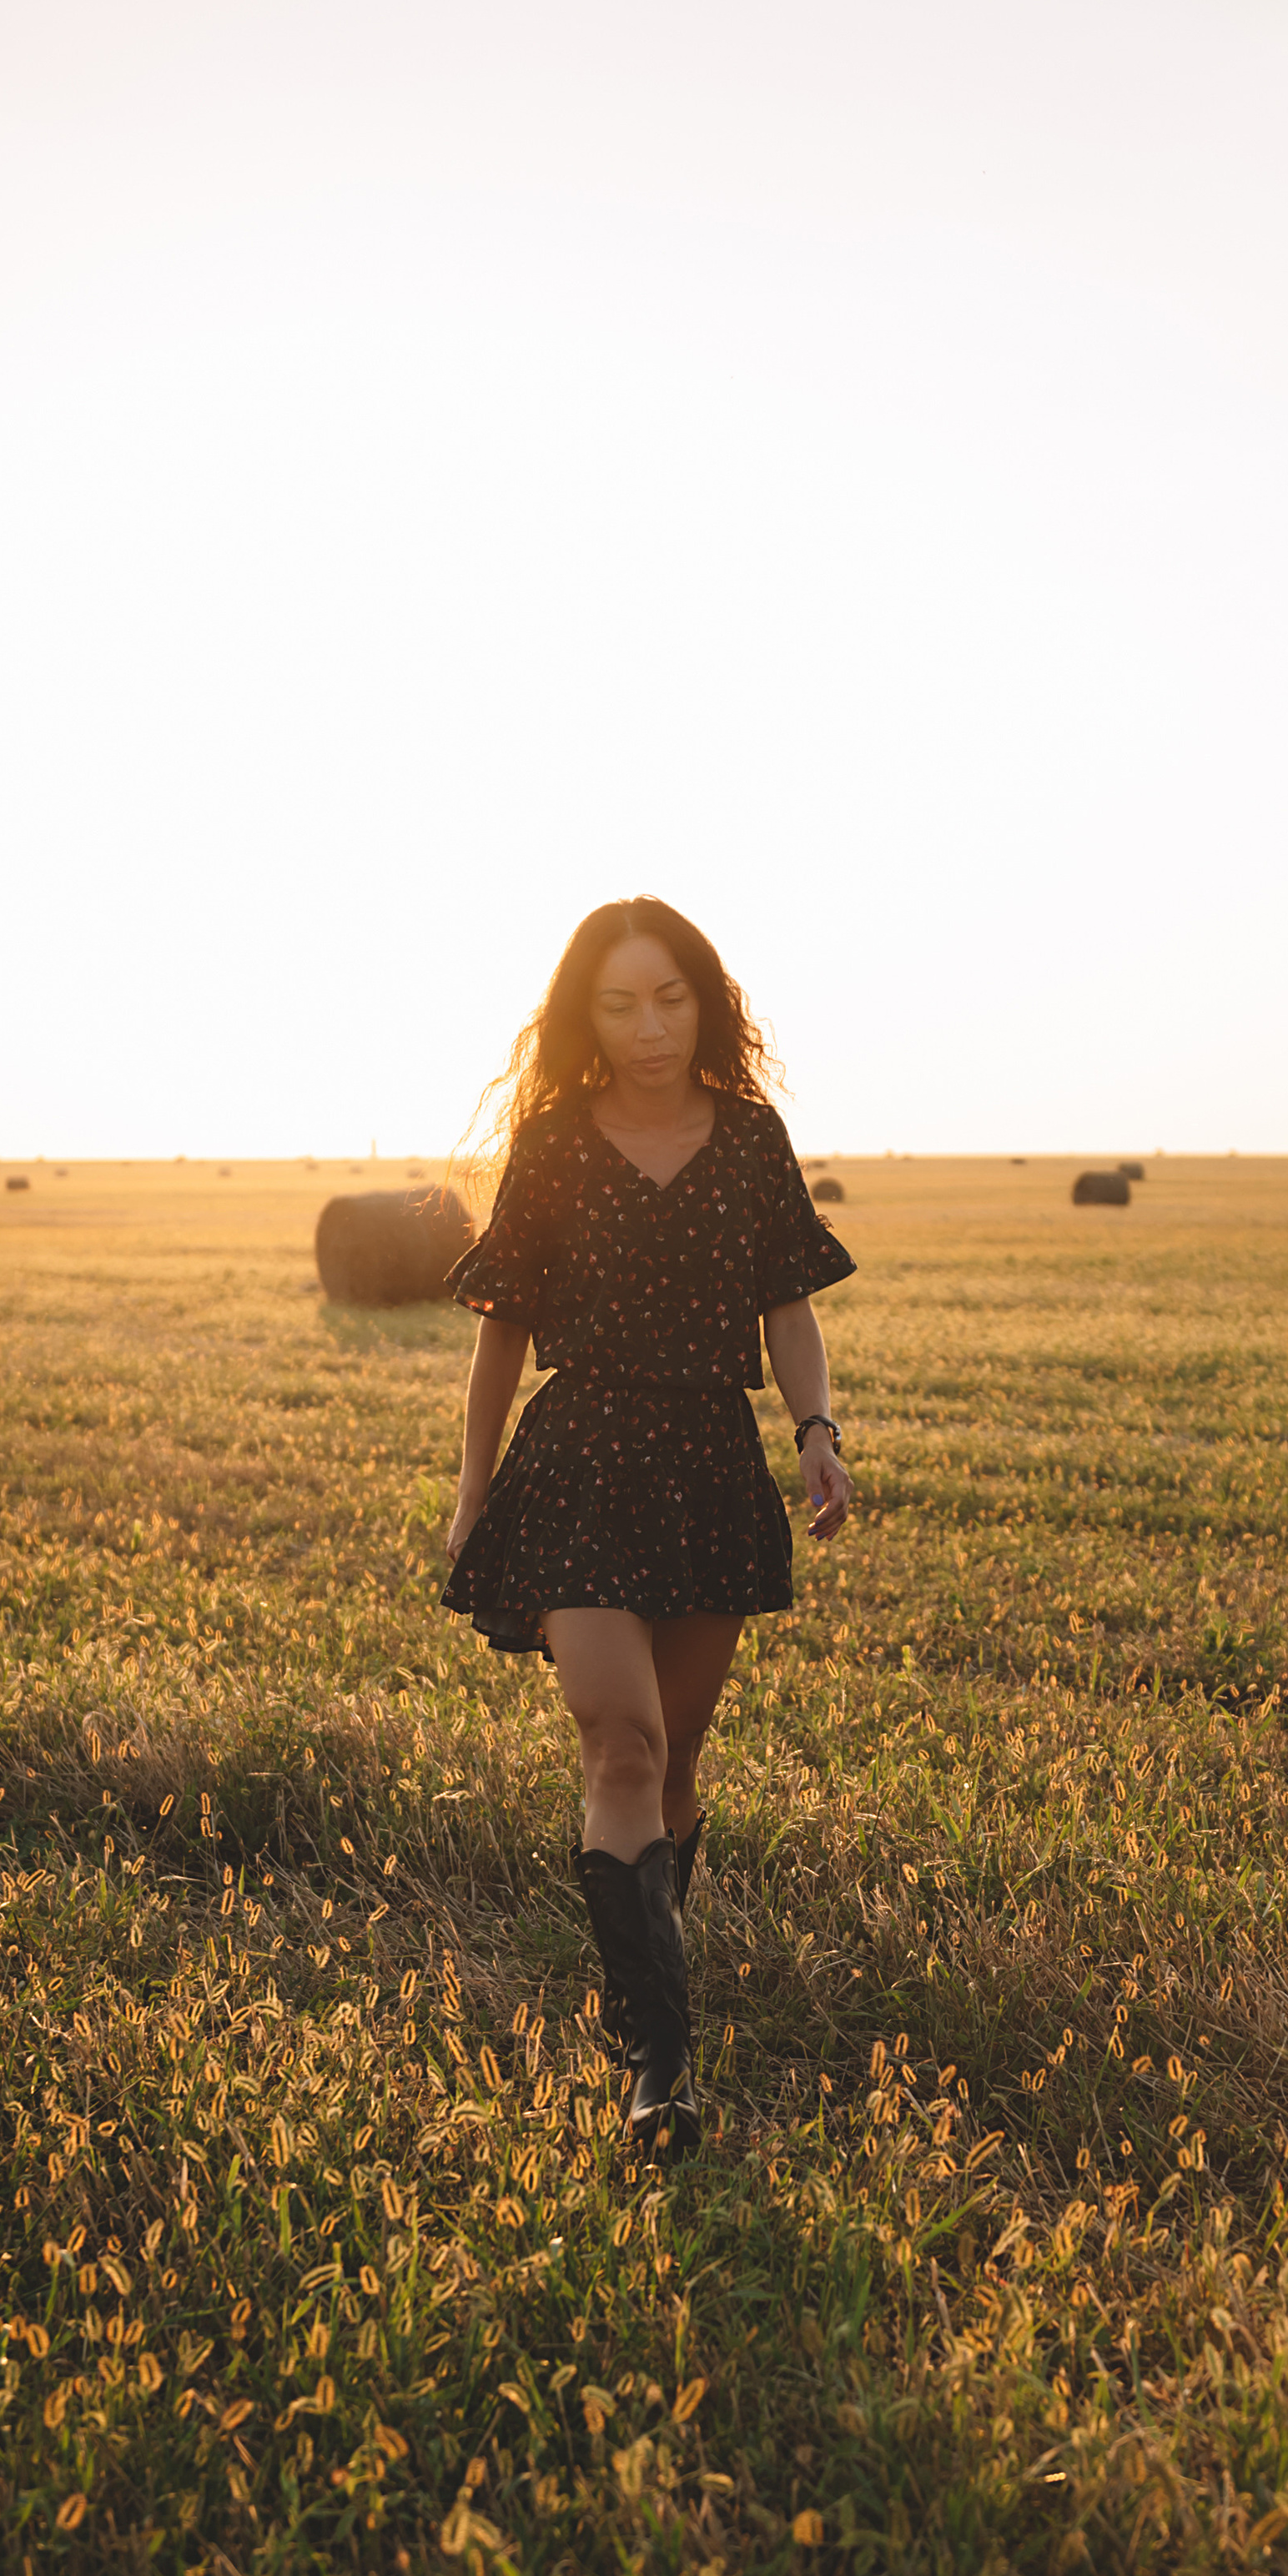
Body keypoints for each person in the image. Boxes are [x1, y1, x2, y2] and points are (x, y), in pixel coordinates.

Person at [440, 897, 855, 2159]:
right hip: (580, 1463)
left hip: (708, 1468)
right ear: (586, 1016)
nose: (648, 1028)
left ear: (704, 999)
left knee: (675, 1764)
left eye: (668, 999)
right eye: (618, 1006)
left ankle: (650, 1989)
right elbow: (501, 1328)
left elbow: (787, 1308)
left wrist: (818, 1431)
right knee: (620, 1743)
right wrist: (471, 1496)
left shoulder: (751, 1141)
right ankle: (659, 2065)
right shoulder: (557, 1144)